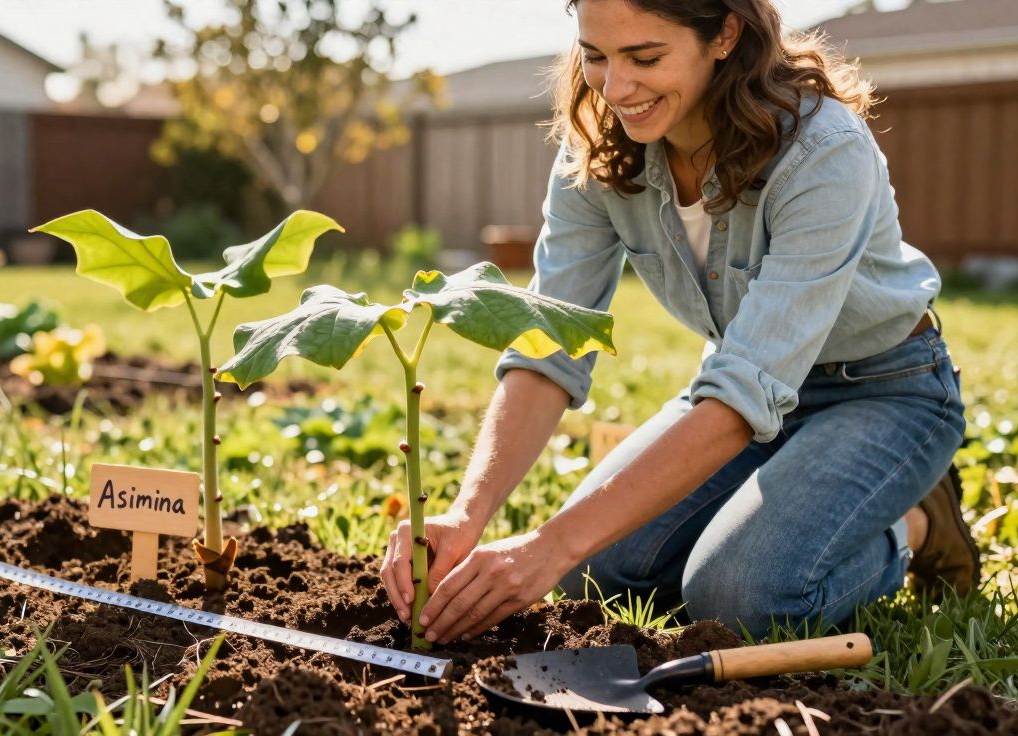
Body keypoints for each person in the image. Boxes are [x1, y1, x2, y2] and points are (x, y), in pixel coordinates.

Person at [378, 0, 977, 645]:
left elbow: (744, 394)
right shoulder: (599, 153)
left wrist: (547, 546)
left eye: (645, 57)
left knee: (739, 597)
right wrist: (468, 516)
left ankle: (915, 523)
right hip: (737, 394)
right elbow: (550, 343)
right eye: (596, 56)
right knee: (593, 571)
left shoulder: (824, 153)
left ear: (724, 34)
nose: (616, 88)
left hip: (881, 390)